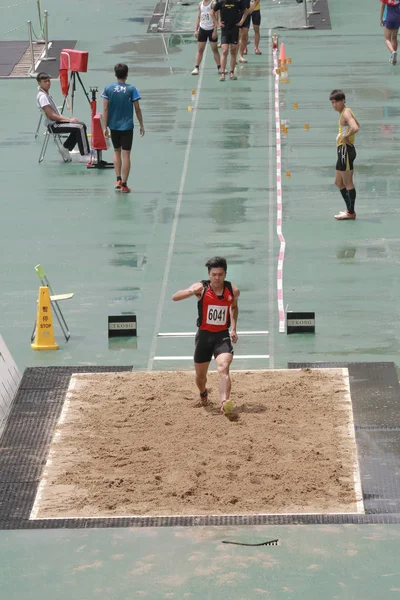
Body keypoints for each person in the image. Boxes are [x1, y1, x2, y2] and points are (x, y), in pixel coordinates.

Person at [172, 257, 240, 414]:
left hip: (221, 336)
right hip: (203, 337)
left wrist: (234, 329)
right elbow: (175, 297)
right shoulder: (201, 288)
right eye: (214, 274)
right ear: (209, 274)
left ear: (225, 274)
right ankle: (203, 393)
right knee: (200, 377)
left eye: (220, 274)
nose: (217, 278)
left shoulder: (233, 291)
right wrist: (190, 292)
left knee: (224, 367)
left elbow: (234, 308)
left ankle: (224, 403)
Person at [102, 63, 145, 193]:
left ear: (115, 74)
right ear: (127, 74)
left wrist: (105, 127)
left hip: (113, 126)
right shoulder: (132, 89)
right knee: (126, 155)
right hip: (127, 127)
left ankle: (118, 179)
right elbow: (137, 108)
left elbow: (105, 108)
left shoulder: (108, 89)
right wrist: (141, 124)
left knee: (116, 152)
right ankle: (125, 185)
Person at [36, 72, 90, 162]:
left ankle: (65, 148)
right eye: (45, 81)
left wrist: (70, 121)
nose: (48, 83)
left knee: (80, 125)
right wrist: (69, 120)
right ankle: (85, 155)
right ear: (39, 83)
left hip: (56, 123)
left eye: (49, 81)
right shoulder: (42, 97)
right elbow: (51, 116)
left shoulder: (46, 94)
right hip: (54, 125)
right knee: (80, 127)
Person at [329, 90, 360, 220]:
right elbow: (357, 124)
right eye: (332, 102)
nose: (334, 105)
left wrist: (345, 137)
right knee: (338, 182)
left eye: (336, 102)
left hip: (345, 150)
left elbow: (355, 128)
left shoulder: (346, 112)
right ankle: (348, 209)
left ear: (342, 101)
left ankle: (351, 212)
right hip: (342, 150)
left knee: (347, 182)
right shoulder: (344, 113)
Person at [211, 0, 250, 81]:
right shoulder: (221, 2)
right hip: (225, 30)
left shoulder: (237, 2)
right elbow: (212, 12)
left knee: (233, 50)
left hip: (234, 29)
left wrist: (241, 21)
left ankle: (231, 72)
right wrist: (217, 24)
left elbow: (246, 11)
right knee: (224, 50)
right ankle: (222, 73)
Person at [192, 0, 221, 75]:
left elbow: (216, 18)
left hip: (211, 29)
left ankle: (219, 67)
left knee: (215, 49)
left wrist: (215, 31)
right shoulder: (200, 4)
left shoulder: (213, 3)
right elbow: (199, 17)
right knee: (200, 49)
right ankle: (196, 67)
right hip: (202, 29)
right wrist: (196, 30)